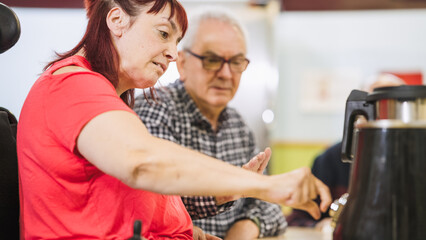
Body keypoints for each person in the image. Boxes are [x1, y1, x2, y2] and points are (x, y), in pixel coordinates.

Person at [17, 0, 331, 239]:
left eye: (175, 42)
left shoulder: (106, 97)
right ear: (116, 20)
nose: (171, 53)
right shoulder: (73, 86)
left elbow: (144, 204)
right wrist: (266, 186)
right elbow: (142, 163)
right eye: (163, 33)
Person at [134, 8, 286, 240]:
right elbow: (158, 201)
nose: (226, 74)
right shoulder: (155, 108)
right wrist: (230, 190)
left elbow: (268, 204)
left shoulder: (238, 125)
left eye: (236, 62)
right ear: (182, 63)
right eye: (212, 60)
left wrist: (248, 225)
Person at [286, 73, 405, 229]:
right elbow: (296, 219)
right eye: (376, 105)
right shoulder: (329, 160)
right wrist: (322, 225)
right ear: (359, 112)